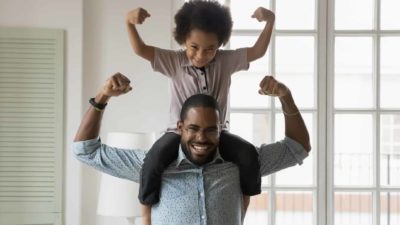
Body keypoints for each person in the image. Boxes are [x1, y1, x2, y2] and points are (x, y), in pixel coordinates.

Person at [72, 73, 311, 225]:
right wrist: (102, 96)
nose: (201, 138)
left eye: (210, 130)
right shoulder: (151, 164)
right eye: (193, 128)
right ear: (179, 127)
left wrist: (285, 97)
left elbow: (298, 148)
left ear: (221, 129)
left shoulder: (241, 163)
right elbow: (86, 151)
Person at [125, 0, 276, 212]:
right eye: (194, 47)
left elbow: (257, 51)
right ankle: (145, 214)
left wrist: (270, 22)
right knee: (153, 159)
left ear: (220, 45)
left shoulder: (225, 61)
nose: (201, 56)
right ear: (183, 40)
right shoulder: (174, 62)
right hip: (179, 134)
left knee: (248, 155)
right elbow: (140, 49)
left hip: (217, 133)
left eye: (210, 49)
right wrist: (129, 23)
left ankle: (242, 205)